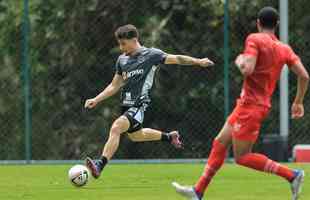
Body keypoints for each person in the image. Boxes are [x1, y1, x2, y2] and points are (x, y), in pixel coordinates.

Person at [172, 7, 309, 200]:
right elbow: (304, 75)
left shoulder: (254, 39)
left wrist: (240, 60)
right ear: (276, 24)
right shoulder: (284, 49)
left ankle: (293, 175)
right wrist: (298, 102)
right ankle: (198, 191)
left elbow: (247, 69)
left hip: (251, 107)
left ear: (258, 23)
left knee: (243, 157)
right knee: (220, 143)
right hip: (249, 105)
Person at [84, 24, 215, 179]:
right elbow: (115, 85)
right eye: (119, 44)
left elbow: (177, 59)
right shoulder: (122, 60)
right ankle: (169, 136)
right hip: (126, 105)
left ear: (134, 40)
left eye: (123, 43)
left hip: (140, 104)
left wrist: (198, 61)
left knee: (116, 128)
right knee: (136, 135)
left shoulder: (151, 55)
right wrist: (96, 99)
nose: (121, 47)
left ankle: (100, 165)